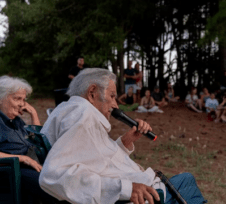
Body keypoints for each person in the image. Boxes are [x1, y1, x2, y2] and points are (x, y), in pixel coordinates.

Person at [39, 68, 206, 204]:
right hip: (138, 197)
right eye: (112, 96)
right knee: (186, 181)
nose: (115, 105)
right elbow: (56, 174)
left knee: (185, 180)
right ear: (92, 93)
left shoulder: (68, 110)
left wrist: (126, 141)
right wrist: (127, 188)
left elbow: (97, 160)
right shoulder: (83, 115)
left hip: (136, 190)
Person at [0, 76, 57, 204]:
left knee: (66, 180)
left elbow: (36, 141)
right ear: (1, 99)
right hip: (11, 173)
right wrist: (23, 158)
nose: (21, 103)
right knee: (55, 189)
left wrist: (33, 113)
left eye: (23, 99)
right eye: (17, 98)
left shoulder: (17, 121)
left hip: (30, 168)